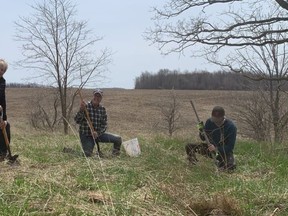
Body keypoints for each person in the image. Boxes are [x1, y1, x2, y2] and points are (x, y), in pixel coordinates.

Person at [185, 106, 237, 171]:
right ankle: (193, 163)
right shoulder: (209, 122)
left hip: (223, 152)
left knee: (231, 167)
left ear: (222, 117)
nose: (215, 121)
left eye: (217, 119)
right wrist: (201, 131)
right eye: (214, 119)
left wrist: (216, 149)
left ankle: (221, 168)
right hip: (209, 149)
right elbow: (203, 138)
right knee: (189, 146)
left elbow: (230, 147)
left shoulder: (231, 127)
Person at [74, 89, 122, 157]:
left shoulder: (102, 109)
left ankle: (115, 156)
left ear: (101, 98)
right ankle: (71, 152)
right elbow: (77, 120)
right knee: (87, 154)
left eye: (99, 96)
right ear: (93, 96)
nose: (97, 98)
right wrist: (81, 110)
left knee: (118, 139)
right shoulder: (85, 106)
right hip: (86, 135)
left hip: (98, 135)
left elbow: (104, 125)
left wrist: (98, 133)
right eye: (96, 95)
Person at [0, 59, 11, 161]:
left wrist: (4, 119)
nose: (0, 71)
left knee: (6, 126)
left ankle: (4, 153)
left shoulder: (3, 82)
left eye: (2, 70)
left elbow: (3, 100)